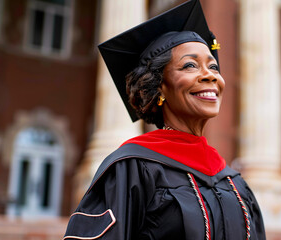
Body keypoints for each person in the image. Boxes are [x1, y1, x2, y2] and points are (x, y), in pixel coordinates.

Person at [63, 0, 265, 239]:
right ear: (158, 88)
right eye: (190, 65)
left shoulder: (234, 181)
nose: (210, 75)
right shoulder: (131, 168)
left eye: (213, 66)